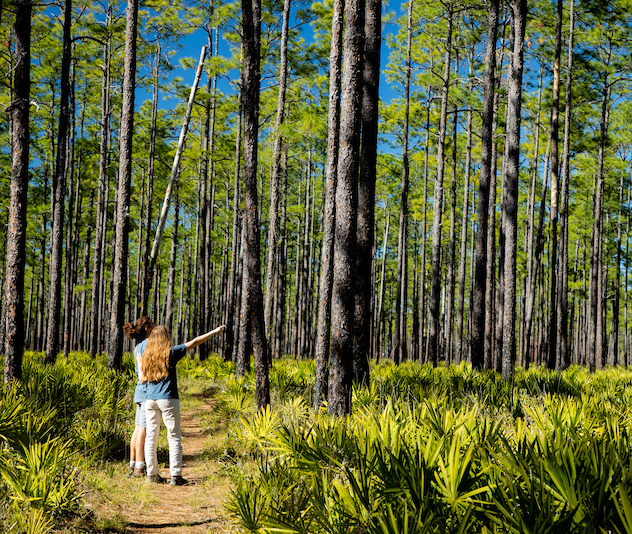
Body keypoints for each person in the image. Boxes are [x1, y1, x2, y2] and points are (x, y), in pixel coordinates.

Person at [141, 324, 226, 485]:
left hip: (150, 400)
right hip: (168, 398)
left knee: (151, 437)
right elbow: (194, 342)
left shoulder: (146, 356)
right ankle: (176, 476)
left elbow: (143, 379)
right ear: (165, 338)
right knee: (173, 436)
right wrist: (214, 332)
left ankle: (152, 475)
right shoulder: (171, 353)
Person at [122, 316, 156, 477]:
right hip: (146, 390)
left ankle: (133, 463)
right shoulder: (148, 345)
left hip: (139, 390)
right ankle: (139, 467)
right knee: (143, 429)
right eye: (153, 324)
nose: (156, 326)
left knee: (137, 429)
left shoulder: (138, 345)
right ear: (148, 328)